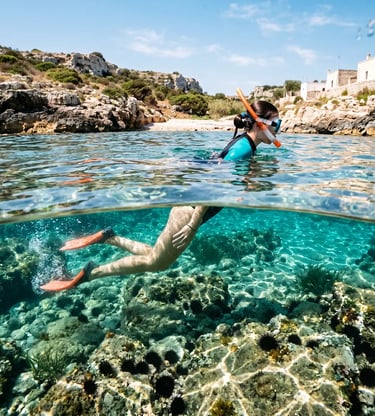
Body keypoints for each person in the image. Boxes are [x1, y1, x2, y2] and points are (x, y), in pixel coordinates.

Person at [41, 100, 281, 292]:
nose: (278, 128)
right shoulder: (243, 149)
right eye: (276, 123)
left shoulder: (245, 145)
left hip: (190, 208)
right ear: (261, 124)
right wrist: (193, 224)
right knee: (156, 263)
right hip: (191, 212)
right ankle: (91, 274)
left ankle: (109, 238)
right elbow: (212, 185)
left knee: (156, 255)